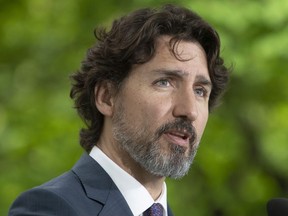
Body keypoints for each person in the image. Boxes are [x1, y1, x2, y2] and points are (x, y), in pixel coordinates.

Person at [9, 4, 230, 216]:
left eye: (200, 91)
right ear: (106, 97)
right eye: (165, 82)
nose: (189, 110)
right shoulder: (49, 208)